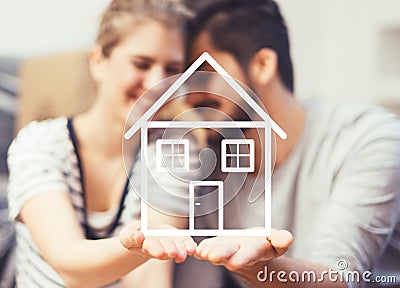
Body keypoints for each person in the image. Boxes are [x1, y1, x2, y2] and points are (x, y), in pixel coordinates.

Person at [177, 0, 400, 287]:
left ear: (263, 64)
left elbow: (343, 276)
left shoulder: (368, 139)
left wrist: (260, 268)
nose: (190, 97)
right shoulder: (208, 174)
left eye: (204, 73)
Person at [6, 0, 198, 287]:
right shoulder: (40, 144)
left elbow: (150, 277)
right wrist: (135, 243)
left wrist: (151, 247)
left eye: (172, 69)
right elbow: (68, 264)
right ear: (98, 61)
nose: (157, 83)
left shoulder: (176, 153)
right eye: (141, 64)